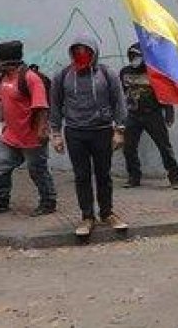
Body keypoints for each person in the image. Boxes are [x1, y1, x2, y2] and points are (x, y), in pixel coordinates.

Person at [49, 36, 127, 237]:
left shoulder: (106, 74)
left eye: (86, 50)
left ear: (94, 52)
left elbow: (118, 102)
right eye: (77, 50)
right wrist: (56, 134)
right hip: (75, 132)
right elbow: (55, 105)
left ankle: (107, 213)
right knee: (81, 176)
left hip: (101, 131)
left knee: (103, 174)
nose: (81, 54)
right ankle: (87, 216)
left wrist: (119, 130)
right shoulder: (63, 75)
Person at [0, 41, 58, 217]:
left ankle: (48, 201)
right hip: (11, 135)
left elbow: (42, 107)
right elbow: (2, 103)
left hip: (31, 136)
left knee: (38, 171)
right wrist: (0, 123)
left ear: (8, 61)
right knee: (1, 167)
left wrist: (42, 131)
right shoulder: (3, 77)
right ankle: (0, 200)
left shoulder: (30, 78)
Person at [119, 43, 178, 189]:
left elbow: (164, 94)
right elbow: (121, 92)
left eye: (138, 56)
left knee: (164, 147)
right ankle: (134, 177)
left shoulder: (154, 72)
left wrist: (169, 114)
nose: (135, 59)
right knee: (128, 148)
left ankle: (174, 177)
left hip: (153, 114)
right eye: (132, 56)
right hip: (133, 115)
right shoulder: (124, 72)